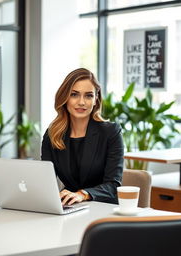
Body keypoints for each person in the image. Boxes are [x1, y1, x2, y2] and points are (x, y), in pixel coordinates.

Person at [41, 68, 124, 206]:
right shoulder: (53, 134)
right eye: (74, 94)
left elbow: (113, 185)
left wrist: (82, 194)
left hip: (103, 207)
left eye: (88, 95)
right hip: (68, 206)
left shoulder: (111, 132)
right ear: (65, 97)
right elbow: (45, 180)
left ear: (96, 99)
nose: (81, 102)